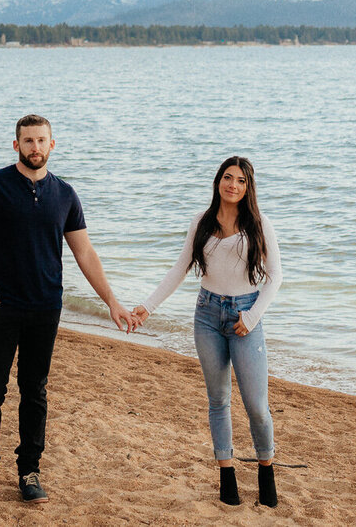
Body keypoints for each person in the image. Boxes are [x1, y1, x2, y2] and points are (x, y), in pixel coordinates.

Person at [0, 114, 133, 504]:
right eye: (28, 141)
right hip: (2, 307)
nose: (35, 147)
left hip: (45, 308)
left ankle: (29, 472)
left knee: (34, 391)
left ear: (53, 145)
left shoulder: (64, 194)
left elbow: (84, 251)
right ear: (16, 145)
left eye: (41, 140)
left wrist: (112, 302)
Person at [132, 155, 283, 507]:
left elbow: (276, 277)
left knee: (257, 406)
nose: (233, 185)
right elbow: (180, 268)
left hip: (246, 317)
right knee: (218, 400)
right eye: (228, 178)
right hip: (207, 314)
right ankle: (227, 475)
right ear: (218, 182)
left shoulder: (260, 223)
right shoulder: (201, 221)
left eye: (241, 181)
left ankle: (266, 469)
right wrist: (147, 307)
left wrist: (252, 316)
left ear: (249, 187)